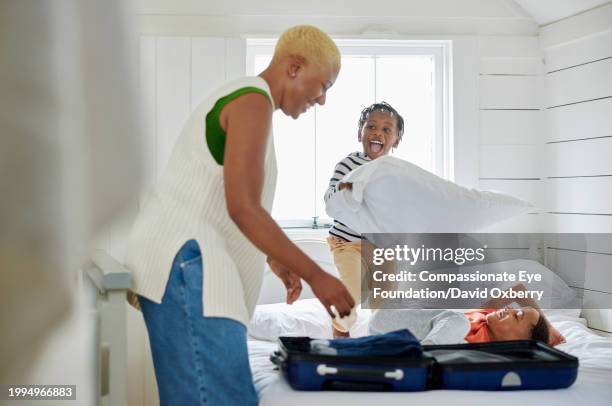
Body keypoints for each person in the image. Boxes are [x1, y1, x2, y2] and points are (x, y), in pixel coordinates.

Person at [125, 25, 355, 406]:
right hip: (190, 263)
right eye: (325, 85)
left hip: (186, 263)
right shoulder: (252, 101)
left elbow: (221, 197)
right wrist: (317, 275)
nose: (324, 99)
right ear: (295, 67)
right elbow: (243, 207)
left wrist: (274, 256)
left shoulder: (250, 101)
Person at [324, 102, 405, 338]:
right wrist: (352, 187)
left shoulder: (396, 172)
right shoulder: (349, 164)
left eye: (387, 129)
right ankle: (340, 330)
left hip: (383, 247)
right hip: (348, 243)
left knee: (385, 301)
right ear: (360, 132)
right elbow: (331, 197)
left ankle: (378, 340)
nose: (378, 132)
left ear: (396, 140)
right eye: (371, 126)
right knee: (352, 292)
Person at [368, 306, 550, 345]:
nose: (510, 309)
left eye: (517, 316)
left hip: (386, 343)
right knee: (459, 321)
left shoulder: (490, 351)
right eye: (515, 309)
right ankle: (427, 350)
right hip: (387, 320)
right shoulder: (476, 320)